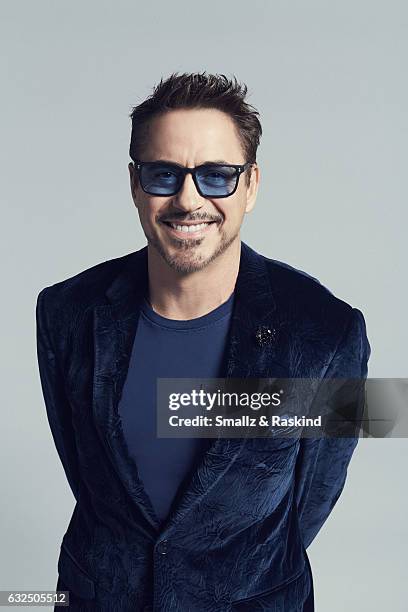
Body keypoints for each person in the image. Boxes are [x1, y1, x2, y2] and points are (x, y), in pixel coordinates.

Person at [36, 72, 371, 611]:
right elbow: (86, 476)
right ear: (134, 184)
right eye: (164, 174)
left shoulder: (328, 332)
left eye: (216, 176)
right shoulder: (65, 311)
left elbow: (309, 503)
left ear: (252, 185)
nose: (188, 199)